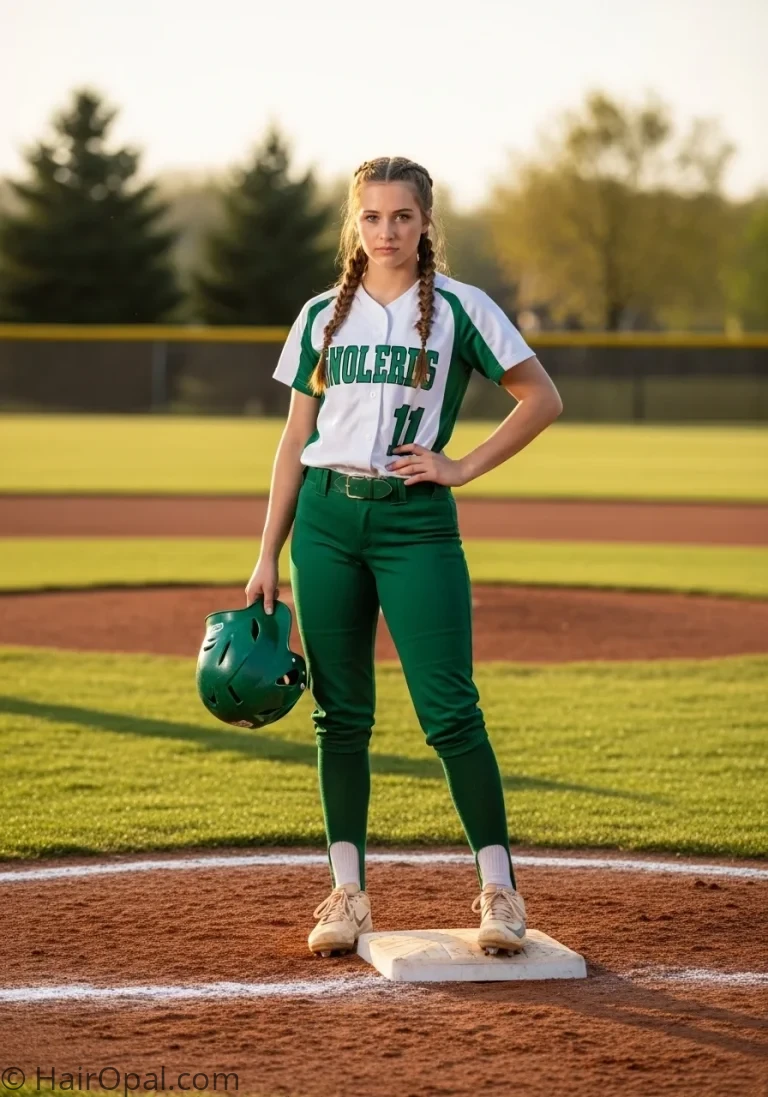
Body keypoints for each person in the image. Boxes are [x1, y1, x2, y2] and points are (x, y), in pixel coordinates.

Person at [246, 156, 563, 958]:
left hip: (416, 523)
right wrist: (266, 555)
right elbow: (294, 440)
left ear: (427, 223)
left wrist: (460, 466)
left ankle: (501, 892)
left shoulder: (462, 306)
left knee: (450, 710)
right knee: (339, 715)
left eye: (402, 218)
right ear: (355, 223)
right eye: (372, 217)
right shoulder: (323, 313)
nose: (386, 232)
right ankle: (347, 895)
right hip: (324, 522)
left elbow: (543, 398)